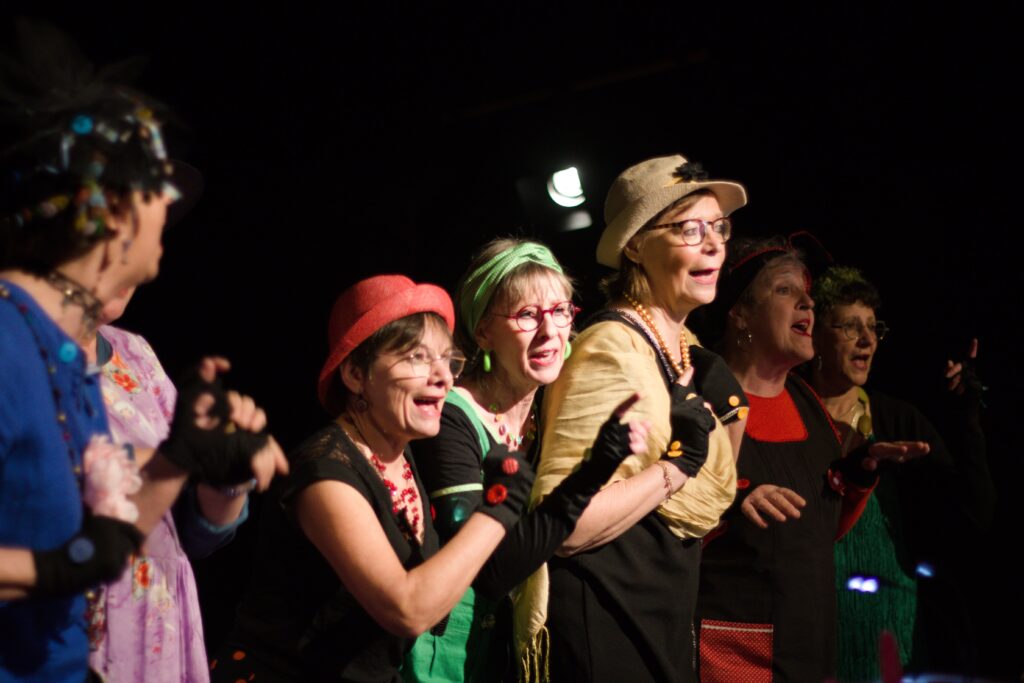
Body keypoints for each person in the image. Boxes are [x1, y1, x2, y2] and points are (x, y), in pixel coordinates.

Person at [0, 23, 286, 681]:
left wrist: (189, 456)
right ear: (115, 214)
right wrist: (55, 568)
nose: (169, 212)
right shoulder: (10, 343)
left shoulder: (66, 356)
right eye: (157, 192)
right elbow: (70, 557)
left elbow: (102, 537)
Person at [214, 275, 547, 682]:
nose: (443, 377)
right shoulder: (324, 474)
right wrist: (499, 507)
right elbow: (406, 609)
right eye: (417, 357)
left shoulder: (400, 455)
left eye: (447, 360)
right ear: (356, 374)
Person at [516, 155, 750, 682]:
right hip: (606, 619)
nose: (714, 244)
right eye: (690, 229)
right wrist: (675, 468)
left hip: (659, 615)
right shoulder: (610, 348)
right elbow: (566, 526)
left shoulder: (684, 348)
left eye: (718, 227)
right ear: (637, 246)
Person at [406, 238, 650, 682]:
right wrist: (593, 471)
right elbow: (488, 571)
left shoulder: (545, 414)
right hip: (442, 658)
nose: (550, 331)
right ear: (483, 332)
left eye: (560, 311)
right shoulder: (450, 418)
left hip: (501, 657)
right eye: (527, 315)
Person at [694, 238, 929, 683]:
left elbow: (819, 529)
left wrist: (858, 474)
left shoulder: (807, 404)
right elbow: (663, 521)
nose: (808, 301)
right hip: (733, 650)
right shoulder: (700, 395)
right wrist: (731, 499)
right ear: (739, 313)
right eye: (785, 290)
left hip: (809, 647)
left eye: (806, 292)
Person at [808, 265, 993, 680]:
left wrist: (966, 417)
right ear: (814, 334)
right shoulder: (789, 412)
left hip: (889, 627)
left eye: (873, 327)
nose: (868, 340)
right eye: (851, 326)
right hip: (810, 626)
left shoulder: (897, 420)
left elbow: (975, 511)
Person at [82, 288, 257, 683]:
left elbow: (188, 532)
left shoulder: (134, 353)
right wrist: (182, 454)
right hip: (71, 624)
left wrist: (228, 475)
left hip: (157, 626)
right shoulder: (20, 354)